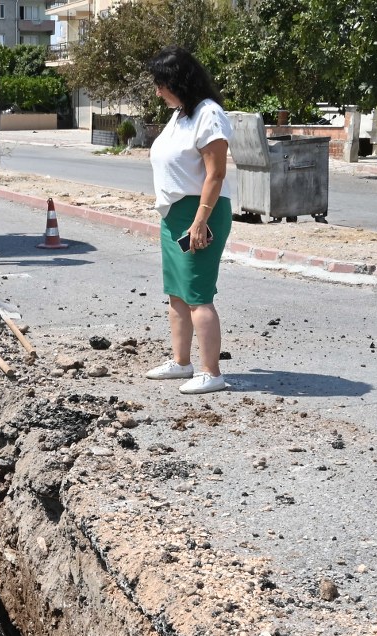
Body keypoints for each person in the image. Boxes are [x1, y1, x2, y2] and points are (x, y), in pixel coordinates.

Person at [142, 46, 236, 396]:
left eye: (160, 84)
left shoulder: (209, 114)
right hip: (174, 213)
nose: (157, 91)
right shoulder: (181, 113)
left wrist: (199, 221)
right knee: (177, 295)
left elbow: (216, 174)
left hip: (201, 212)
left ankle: (212, 372)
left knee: (198, 295)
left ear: (177, 82)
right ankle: (182, 362)